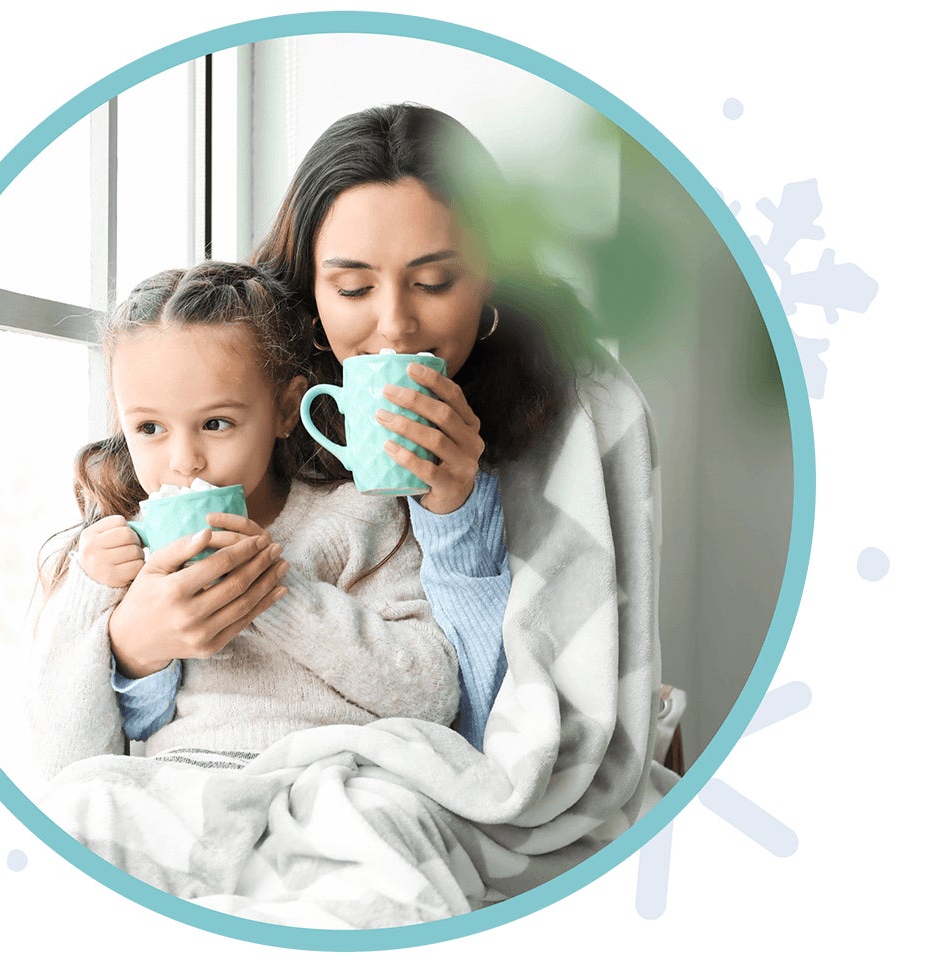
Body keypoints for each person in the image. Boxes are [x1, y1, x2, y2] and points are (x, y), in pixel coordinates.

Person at [252, 103, 608, 750]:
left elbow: (494, 739)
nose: (395, 324)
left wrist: (457, 514)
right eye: (354, 289)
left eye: (435, 281)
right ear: (309, 296)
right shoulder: (250, 407)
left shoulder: (567, 419)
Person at [30, 260, 459, 775]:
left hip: (337, 774)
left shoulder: (358, 517)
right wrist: (118, 631)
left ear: (284, 409)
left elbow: (431, 696)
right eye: (148, 428)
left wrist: (276, 590)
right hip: (186, 783)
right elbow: (65, 762)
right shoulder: (118, 559)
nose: (184, 459)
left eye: (216, 423)